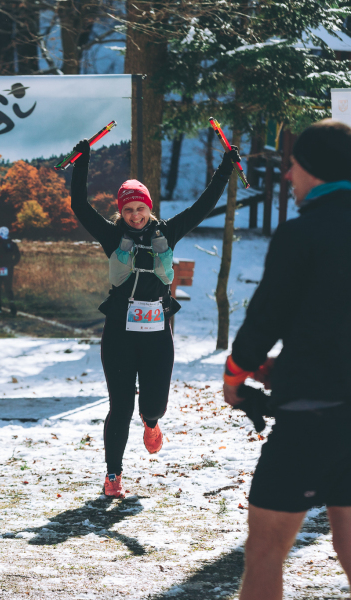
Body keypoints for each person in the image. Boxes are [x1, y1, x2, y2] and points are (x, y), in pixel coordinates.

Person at [223, 119, 351, 600]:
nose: (287, 175)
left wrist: (235, 378)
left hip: (312, 420)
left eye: (293, 165)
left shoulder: (302, 233)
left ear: (314, 169)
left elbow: (265, 320)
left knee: (265, 550)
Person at [70, 138, 239, 498]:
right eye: (129, 209)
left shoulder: (167, 232)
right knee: (120, 406)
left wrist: (225, 169)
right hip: (119, 331)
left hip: (157, 332)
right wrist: (82, 162)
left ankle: (151, 423)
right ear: (121, 211)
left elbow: (203, 205)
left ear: (149, 208)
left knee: (153, 405)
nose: (135, 215)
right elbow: (79, 206)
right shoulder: (112, 235)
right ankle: (113, 476)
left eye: (141, 208)